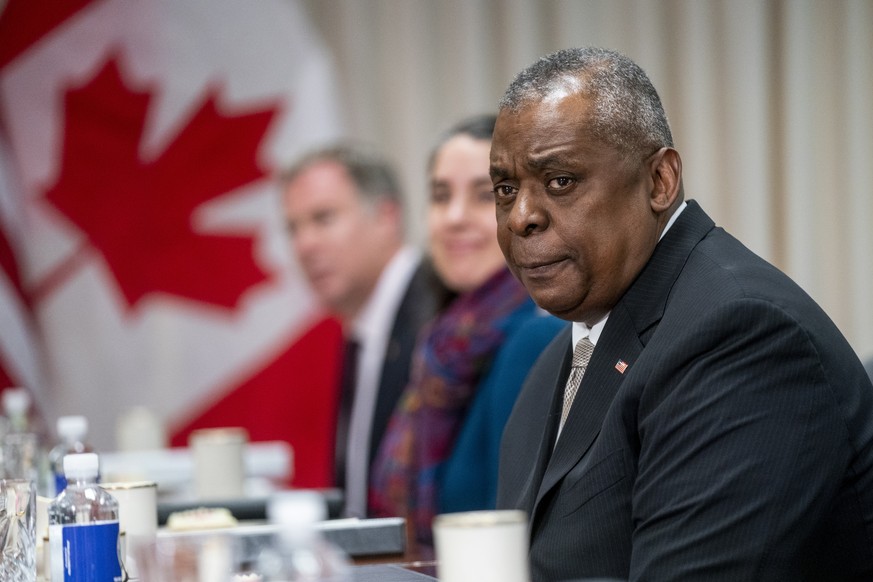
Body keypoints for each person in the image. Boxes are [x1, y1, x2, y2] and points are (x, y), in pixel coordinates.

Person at [490, 47, 873, 582]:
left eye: (560, 181)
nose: (522, 217)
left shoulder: (741, 337)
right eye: (505, 190)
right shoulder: (561, 355)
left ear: (660, 181)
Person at [368, 115, 563, 552]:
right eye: (441, 196)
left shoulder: (537, 337)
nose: (454, 217)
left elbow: (515, 539)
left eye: (484, 195)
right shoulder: (442, 346)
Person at [281, 145, 443, 518]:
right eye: (293, 228)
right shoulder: (362, 326)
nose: (304, 245)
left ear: (386, 216)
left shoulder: (437, 317)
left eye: (323, 219)